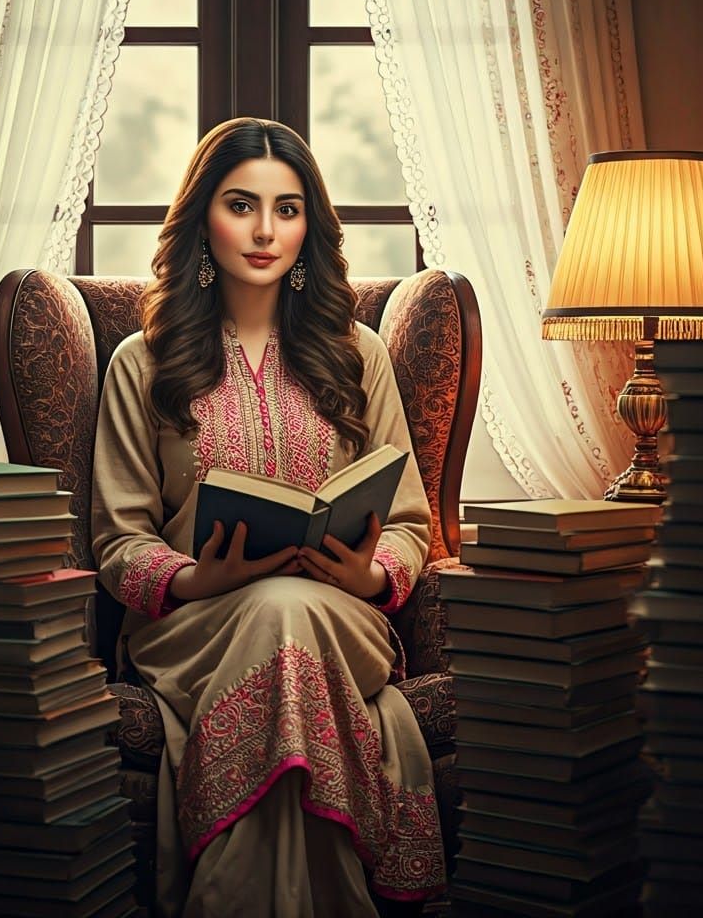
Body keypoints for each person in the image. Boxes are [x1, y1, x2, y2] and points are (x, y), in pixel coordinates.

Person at [90, 118, 445, 917]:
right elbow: (117, 538)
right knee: (279, 617)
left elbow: (411, 524)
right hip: (194, 625)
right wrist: (192, 575)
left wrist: (373, 570)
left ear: (309, 226)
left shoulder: (358, 354)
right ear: (201, 218)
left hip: (343, 616)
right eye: (241, 205)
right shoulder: (141, 364)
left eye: (287, 210)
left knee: (292, 611)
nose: (263, 231)